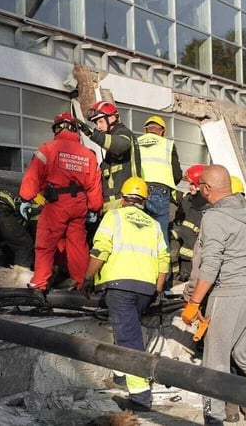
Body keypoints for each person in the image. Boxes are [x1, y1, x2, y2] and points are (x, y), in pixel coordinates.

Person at [181, 165, 246, 425]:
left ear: (207, 189)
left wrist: (194, 302)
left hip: (228, 294)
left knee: (214, 362)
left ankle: (214, 419)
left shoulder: (214, 218)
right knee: (244, 354)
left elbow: (210, 264)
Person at [81, 176, 168, 411]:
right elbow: (163, 259)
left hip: (120, 286)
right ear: (144, 202)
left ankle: (140, 397)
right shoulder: (153, 224)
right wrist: (158, 290)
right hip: (145, 289)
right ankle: (121, 376)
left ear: (122, 199)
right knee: (127, 329)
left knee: (129, 339)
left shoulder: (114, 216)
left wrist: (87, 278)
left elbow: (100, 249)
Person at [20, 112, 103, 290]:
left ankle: (40, 283)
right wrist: (94, 208)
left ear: (57, 128)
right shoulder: (89, 154)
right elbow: (94, 185)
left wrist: (26, 196)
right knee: (78, 246)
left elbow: (33, 175)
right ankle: (82, 284)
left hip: (57, 203)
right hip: (79, 205)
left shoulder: (48, 149)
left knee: (45, 244)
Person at [79, 101, 142, 212]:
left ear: (112, 118)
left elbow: (122, 145)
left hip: (124, 204)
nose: (98, 127)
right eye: (96, 123)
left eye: (100, 121)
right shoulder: (113, 138)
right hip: (115, 205)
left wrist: (93, 135)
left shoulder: (124, 133)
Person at [137, 115, 182, 243]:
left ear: (146, 130)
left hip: (139, 191)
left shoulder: (136, 142)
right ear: (162, 131)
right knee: (160, 236)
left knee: (140, 234)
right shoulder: (168, 144)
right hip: (160, 191)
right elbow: (177, 174)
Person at [171, 164, 209, 281]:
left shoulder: (210, 207)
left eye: (192, 184)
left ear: (200, 185)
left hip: (197, 262)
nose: (189, 187)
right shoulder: (186, 200)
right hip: (181, 259)